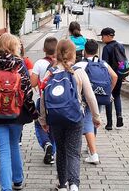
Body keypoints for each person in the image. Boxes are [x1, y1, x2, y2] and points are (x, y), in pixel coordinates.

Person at [39, 39, 101, 191]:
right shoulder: (78, 71)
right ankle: (74, 185)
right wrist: (96, 117)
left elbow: (43, 98)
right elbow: (90, 96)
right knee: (73, 152)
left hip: (55, 118)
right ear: (73, 54)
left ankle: (61, 185)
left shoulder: (50, 72)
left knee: (61, 150)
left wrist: (43, 120)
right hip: (75, 118)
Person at [0, 33, 38, 191]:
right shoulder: (19, 64)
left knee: (3, 150)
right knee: (14, 145)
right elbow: (27, 91)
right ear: (13, 47)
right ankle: (18, 180)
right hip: (16, 112)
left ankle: (5, 187)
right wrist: (32, 112)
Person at [74, 39, 117, 164]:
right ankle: (90, 146)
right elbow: (114, 76)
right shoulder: (103, 63)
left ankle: (94, 153)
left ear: (84, 51)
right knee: (95, 119)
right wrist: (109, 91)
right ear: (97, 50)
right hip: (101, 96)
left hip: (86, 98)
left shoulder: (81, 65)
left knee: (87, 122)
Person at [30, 37, 58, 165]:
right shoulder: (61, 63)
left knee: (39, 125)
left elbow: (33, 82)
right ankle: (52, 152)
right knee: (55, 127)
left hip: (43, 100)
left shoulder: (39, 63)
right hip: (58, 102)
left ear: (44, 49)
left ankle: (46, 144)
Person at [99, 27, 126, 130]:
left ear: (107, 36)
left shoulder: (107, 48)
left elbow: (105, 65)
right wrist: (123, 75)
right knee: (117, 95)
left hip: (110, 77)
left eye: (102, 36)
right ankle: (119, 116)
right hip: (119, 75)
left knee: (108, 97)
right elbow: (123, 61)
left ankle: (109, 123)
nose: (101, 39)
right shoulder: (120, 46)